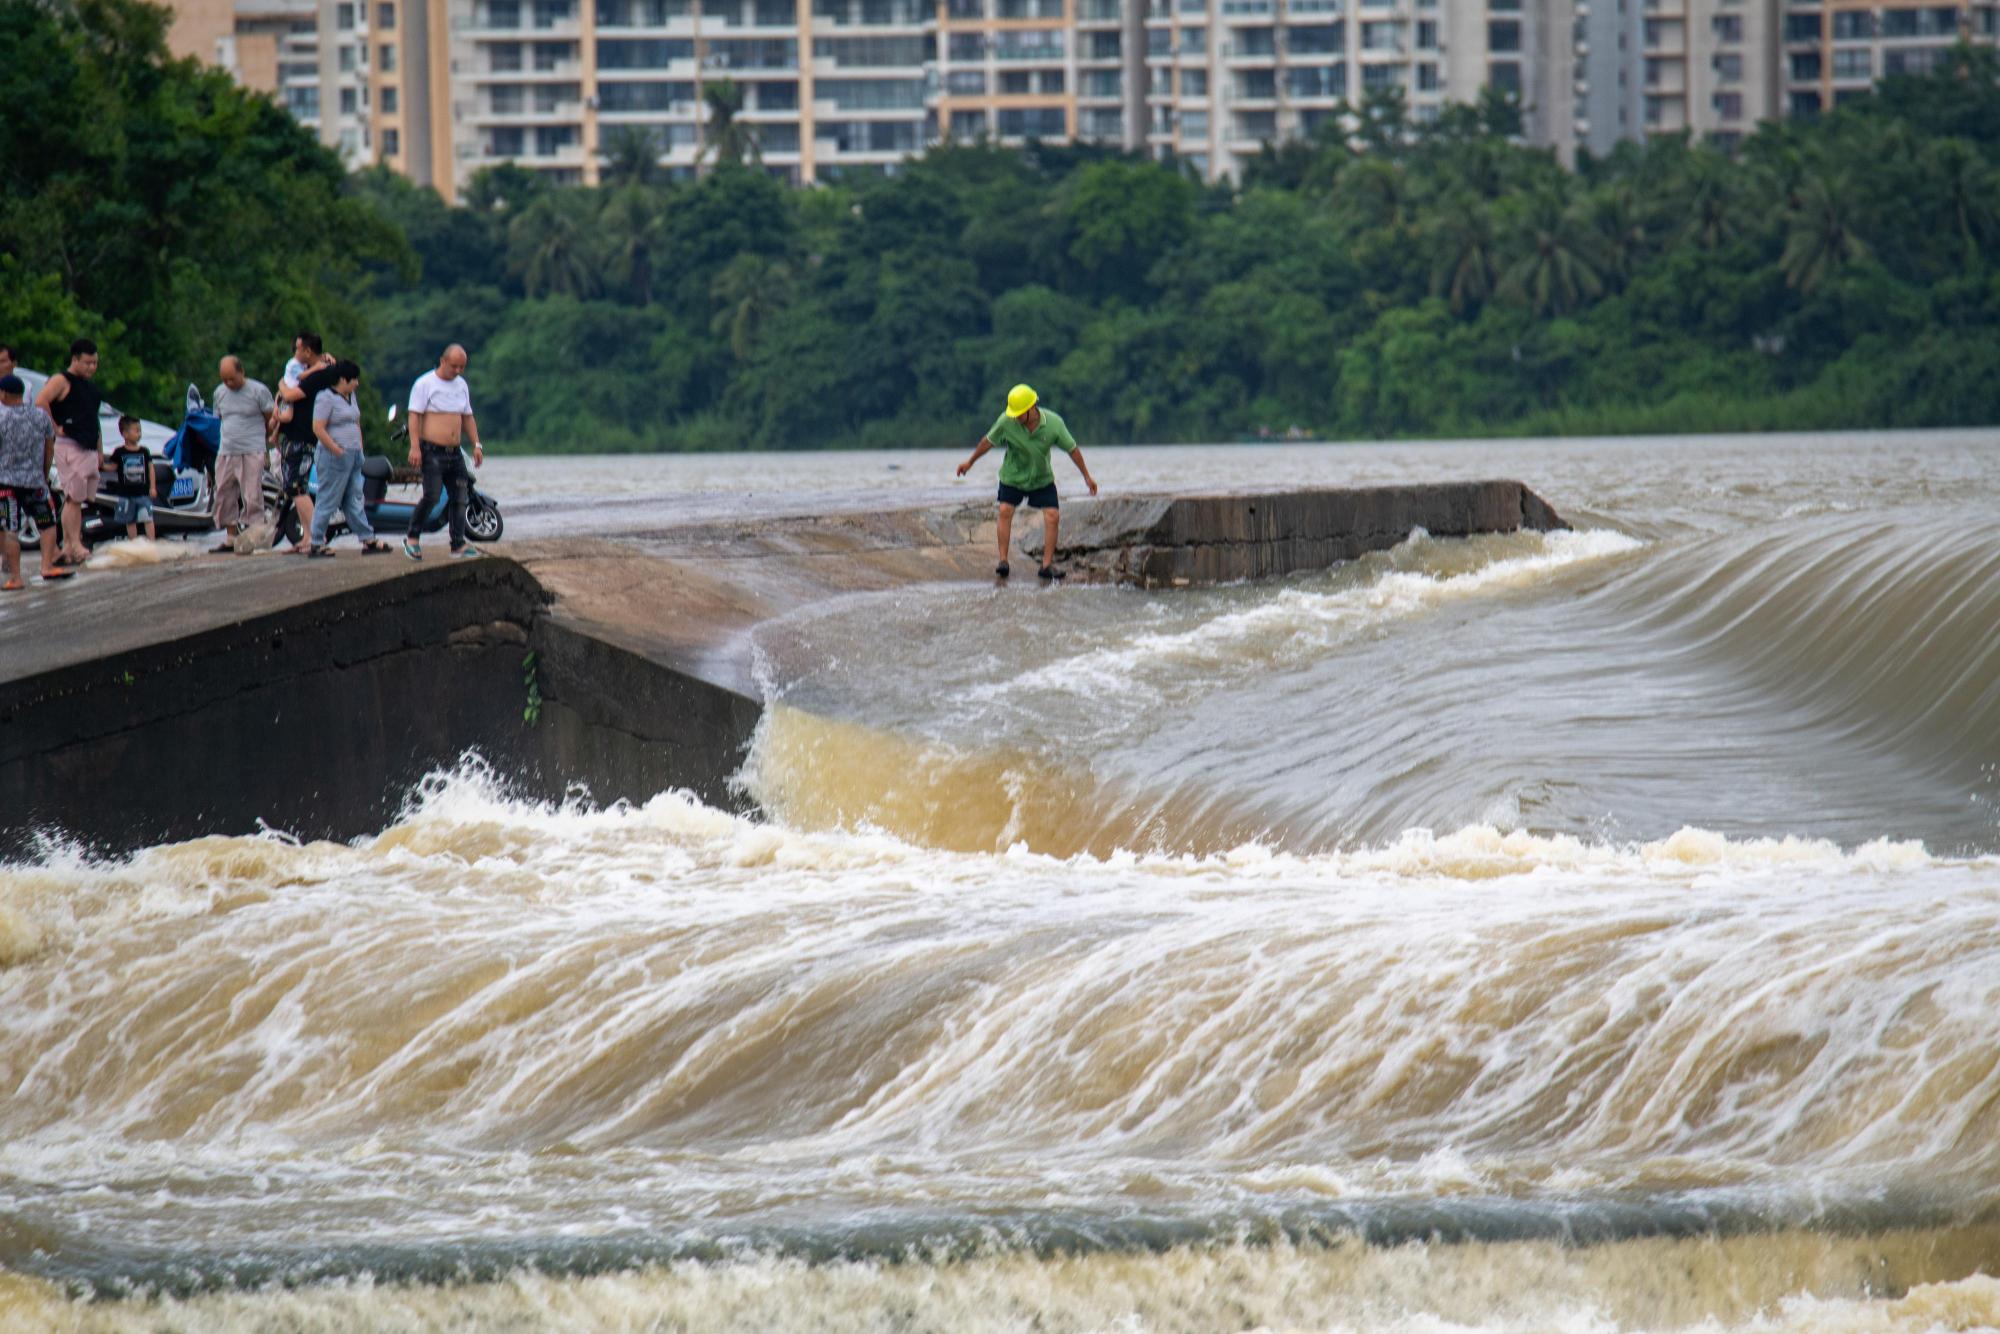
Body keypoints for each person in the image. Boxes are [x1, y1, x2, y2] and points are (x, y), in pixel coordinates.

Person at [956, 382, 1097, 581]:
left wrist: (1087, 477)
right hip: (1012, 476)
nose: (1016, 418)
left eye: (1020, 414)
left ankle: (1046, 566)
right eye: (1014, 414)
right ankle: (1003, 561)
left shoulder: (1054, 423)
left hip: (1041, 478)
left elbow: (1072, 449)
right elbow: (987, 441)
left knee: (1052, 515)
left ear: (1032, 408)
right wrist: (970, 462)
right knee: (1005, 510)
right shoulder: (1007, 421)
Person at [402, 343, 486, 561]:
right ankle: (412, 537)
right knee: (431, 495)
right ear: (442, 361)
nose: (457, 371)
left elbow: (467, 416)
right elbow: (414, 416)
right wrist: (415, 446)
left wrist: (477, 444)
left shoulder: (461, 385)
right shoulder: (425, 383)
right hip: (432, 450)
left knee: (460, 496)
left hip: (455, 451)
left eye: (462, 367)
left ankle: (457, 544)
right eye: (454, 366)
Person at [306, 359, 391, 557]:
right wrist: (335, 449)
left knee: (354, 498)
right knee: (328, 498)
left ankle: (367, 539)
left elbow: (356, 421)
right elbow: (318, 427)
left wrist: (359, 448)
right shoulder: (325, 398)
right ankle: (316, 542)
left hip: (353, 455)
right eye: (354, 379)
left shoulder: (351, 396)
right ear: (343, 379)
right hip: (333, 455)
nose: (357, 383)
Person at [34, 338, 104, 567]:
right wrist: (56, 427)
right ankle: (73, 543)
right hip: (69, 444)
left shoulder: (90, 388)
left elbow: (94, 420)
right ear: (75, 359)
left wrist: (100, 451)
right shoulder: (62, 380)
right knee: (73, 497)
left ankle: (74, 543)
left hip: (88, 446)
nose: (91, 367)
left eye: (95, 363)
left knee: (81, 498)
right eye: (87, 363)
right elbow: (41, 401)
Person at [0, 373, 72, 588]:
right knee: (47, 524)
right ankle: (47, 566)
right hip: (36, 480)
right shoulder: (40, 416)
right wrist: (44, 472)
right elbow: (50, 447)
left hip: (6, 483)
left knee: (10, 529)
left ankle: (16, 577)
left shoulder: (2, 419)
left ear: (3, 393)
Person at [210, 354, 275, 553]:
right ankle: (231, 536)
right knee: (223, 491)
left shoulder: (258, 391)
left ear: (241, 372)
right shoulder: (219, 393)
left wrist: (268, 443)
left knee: (252, 494)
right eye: (224, 379)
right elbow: (218, 418)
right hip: (227, 449)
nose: (229, 383)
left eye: (232, 378)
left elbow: (271, 418)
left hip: (252, 448)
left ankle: (255, 536)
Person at [275, 335, 333, 552]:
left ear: (308, 351)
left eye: (298, 349)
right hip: (298, 436)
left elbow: (289, 392)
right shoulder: (314, 370)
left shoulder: (315, 376)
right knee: (296, 487)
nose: (295, 353)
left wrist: (281, 383)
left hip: (302, 437)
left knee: (297, 487)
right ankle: (307, 536)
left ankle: (317, 537)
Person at [105, 415, 158, 541]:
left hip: (143, 493)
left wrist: (152, 487)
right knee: (130, 520)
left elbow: (151, 469)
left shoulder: (144, 451)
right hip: (126, 494)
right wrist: (100, 465)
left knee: (148, 518)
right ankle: (133, 543)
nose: (139, 434)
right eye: (136, 430)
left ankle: (152, 541)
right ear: (125, 434)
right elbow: (113, 467)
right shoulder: (119, 452)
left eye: (140, 430)